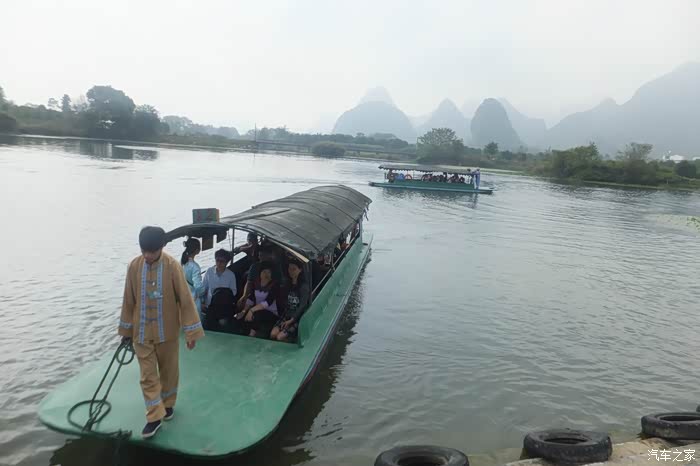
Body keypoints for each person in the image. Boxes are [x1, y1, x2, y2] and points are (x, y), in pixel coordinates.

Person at [119, 226, 204, 439]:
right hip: (141, 333)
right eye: (144, 251)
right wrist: (126, 331)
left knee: (169, 371)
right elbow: (128, 299)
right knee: (147, 376)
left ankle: (168, 404)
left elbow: (185, 299)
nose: (148, 255)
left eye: (153, 251)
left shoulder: (172, 266)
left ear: (162, 247)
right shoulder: (134, 266)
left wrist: (191, 332)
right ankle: (154, 417)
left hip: (168, 331)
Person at [234, 264, 281, 337]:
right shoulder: (256, 284)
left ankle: (252, 334)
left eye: (269, 272)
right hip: (256, 309)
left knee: (256, 315)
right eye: (264, 272)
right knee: (240, 315)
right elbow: (251, 299)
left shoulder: (275, 285)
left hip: (271, 313)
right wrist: (244, 311)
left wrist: (251, 310)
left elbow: (267, 302)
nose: (266, 274)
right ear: (260, 273)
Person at [271, 260, 309, 342]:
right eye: (289, 268)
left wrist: (292, 320)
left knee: (279, 337)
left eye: (294, 269)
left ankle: (291, 340)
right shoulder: (287, 284)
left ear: (300, 270)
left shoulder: (303, 287)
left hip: (297, 317)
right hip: (287, 314)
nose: (291, 271)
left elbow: (302, 305)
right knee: (273, 334)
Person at [237, 243, 284, 310]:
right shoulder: (255, 267)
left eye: (262, 255)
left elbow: (270, 300)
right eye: (259, 255)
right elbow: (249, 283)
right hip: (256, 301)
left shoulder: (276, 270)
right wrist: (244, 296)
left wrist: (252, 310)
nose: (259, 257)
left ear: (269, 256)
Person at [181, 238, 205, 318]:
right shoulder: (195, 267)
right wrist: (204, 292)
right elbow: (198, 286)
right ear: (197, 250)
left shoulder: (181, 262)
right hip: (193, 301)